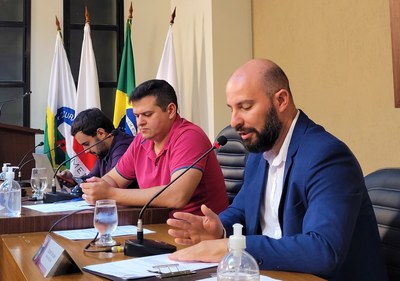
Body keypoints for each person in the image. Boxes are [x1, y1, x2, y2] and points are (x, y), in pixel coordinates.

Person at [166, 59, 388, 280]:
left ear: (281, 100)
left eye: (245, 107)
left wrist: (230, 247)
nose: (234, 121)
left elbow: (323, 249)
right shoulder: (257, 154)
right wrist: (219, 230)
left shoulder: (326, 157)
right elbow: (243, 210)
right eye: (231, 109)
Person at [80, 79, 228, 216]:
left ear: (170, 110)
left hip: (199, 232)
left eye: (147, 114)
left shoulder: (189, 137)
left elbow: (177, 196)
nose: (140, 122)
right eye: (137, 116)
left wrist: (110, 194)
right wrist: (97, 187)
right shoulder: (141, 140)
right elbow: (114, 179)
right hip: (157, 225)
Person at [57, 108, 134, 188]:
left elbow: (110, 185)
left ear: (101, 133)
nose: (86, 150)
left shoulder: (124, 147)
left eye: (86, 144)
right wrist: (73, 180)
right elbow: (92, 177)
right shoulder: (103, 148)